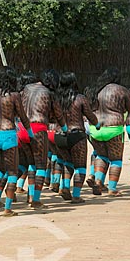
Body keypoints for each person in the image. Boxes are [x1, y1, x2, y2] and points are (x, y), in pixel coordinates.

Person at [0, 67, 33, 217]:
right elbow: (23, 116)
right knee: (12, 172)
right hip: (7, 133)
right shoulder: (14, 95)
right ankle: (7, 208)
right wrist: (30, 133)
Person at [87, 68, 130, 196]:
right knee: (116, 159)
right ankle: (112, 188)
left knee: (101, 156)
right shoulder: (121, 90)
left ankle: (98, 181)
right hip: (114, 128)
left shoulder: (95, 90)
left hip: (96, 128)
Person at [22, 69, 67, 209]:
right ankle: (35, 200)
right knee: (41, 166)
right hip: (38, 128)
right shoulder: (49, 93)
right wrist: (65, 129)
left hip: (22, 128)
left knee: (31, 164)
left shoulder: (27, 88)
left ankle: (29, 196)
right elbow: (58, 114)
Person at [54, 72, 99, 203]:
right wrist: (96, 124)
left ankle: (66, 186)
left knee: (67, 163)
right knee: (80, 167)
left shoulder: (56, 99)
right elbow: (90, 115)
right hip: (76, 135)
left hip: (59, 136)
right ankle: (76, 195)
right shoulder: (80, 98)